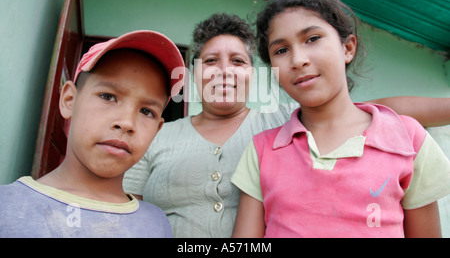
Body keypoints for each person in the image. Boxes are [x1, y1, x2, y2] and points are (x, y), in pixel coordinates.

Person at [123, 13, 450, 238]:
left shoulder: (281, 124)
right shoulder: (157, 135)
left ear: (254, 74)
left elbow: (373, 111)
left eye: (238, 61)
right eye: (210, 61)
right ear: (194, 72)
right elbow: (127, 210)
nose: (224, 71)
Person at [231, 0, 450, 238]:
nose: (298, 60)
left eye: (312, 38)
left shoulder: (408, 140)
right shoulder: (261, 151)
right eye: (281, 50)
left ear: (347, 48)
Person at [0, 30, 185, 237]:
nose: (126, 123)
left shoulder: (157, 224)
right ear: (69, 100)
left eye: (146, 111)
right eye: (108, 96)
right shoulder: (7, 208)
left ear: (157, 130)